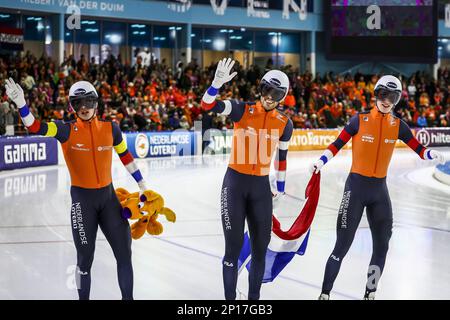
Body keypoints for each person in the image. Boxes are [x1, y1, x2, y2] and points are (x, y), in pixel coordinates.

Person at [5, 78, 150, 300]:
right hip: (83, 203)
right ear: (72, 106)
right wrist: (22, 104)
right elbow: (35, 126)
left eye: (89, 102)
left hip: (109, 200)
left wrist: (142, 184)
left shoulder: (112, 129)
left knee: (124, 255)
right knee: (84, 261)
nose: (84, 107)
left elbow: (126, 157)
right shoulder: (65, 130)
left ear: (97, 103)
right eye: (78, 103)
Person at [310, 75, 446, 300]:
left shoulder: (398, 125)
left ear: (397, 100)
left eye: (391, 97)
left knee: (382, 247)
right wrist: (321, 161)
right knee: (342, 246)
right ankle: (325, 294)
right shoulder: (359, 120)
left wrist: (431, 154)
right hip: (355, 188)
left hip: (379, 192)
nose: (386, 100)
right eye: (383, 95)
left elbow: (418, 148)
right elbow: (336, 144)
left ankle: (370, 292)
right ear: (376, 95)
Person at [201, 58, 294, 300]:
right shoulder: (242, 110)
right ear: (260, 89)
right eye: (266, 90)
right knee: (231, 251)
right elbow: (206, 106)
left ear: (283, 97)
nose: (269, 97)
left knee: (260, 251)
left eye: (276, 94)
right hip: (234, 184)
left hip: (261, 189)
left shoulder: (285, 123)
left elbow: (281, 158)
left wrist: (281, 188)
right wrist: (215, 84)